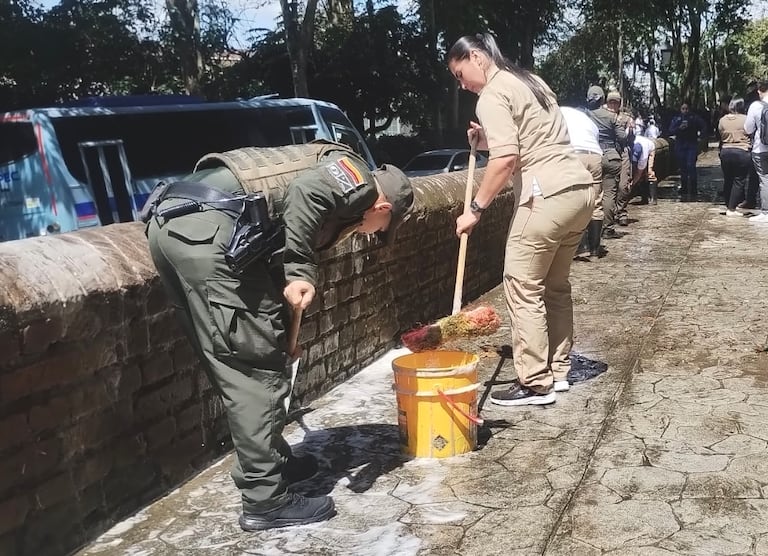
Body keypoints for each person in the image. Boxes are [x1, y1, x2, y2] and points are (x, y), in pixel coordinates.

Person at [144, 142, 414, 530]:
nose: (367, 235)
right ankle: (265, 500)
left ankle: (274, 462)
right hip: (210, 234)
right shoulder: (359, 184)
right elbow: (305, 194)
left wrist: (283, 328)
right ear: (383, 209)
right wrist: (301, 270)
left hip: (176, 226)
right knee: (254, 368)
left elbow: (271, 257)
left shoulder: (336, 188)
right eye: (379, 231)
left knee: (234, 357)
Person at [447, 33, 594, 406]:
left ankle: (534, 382)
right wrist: (485, 137)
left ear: (477, 57)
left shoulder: (492, 95)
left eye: (461, 74)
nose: (462, 85)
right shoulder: (529, 80)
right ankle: (558, 371)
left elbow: (506, 160)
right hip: (578, 188)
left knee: (521, 285)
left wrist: (475, 210)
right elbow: (532, 133)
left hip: (544, 194)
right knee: (556, 286)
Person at [560, 106, 604, 259]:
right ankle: (594, 249)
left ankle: (580, 246)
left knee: (573, 199)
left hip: (575, 154)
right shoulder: (589, 121)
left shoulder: (558, 112)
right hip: (595, 156)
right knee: (595, 200)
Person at [718, 97, 752, 216]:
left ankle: (728, 205)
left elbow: (720, 133)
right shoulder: (746, 119)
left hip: (726, 151)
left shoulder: (722, 120)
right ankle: (732, 208)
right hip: (741, 150)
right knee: (739, 180)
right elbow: (751, 131)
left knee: (728, 179)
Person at [669, 102, 706, 199]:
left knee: (691, 166)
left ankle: (693, 188)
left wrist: (700, 136)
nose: (685, 111)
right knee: (683, 167)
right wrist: (679, 128)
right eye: (683, 109)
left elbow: (704, 126)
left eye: (686, 108)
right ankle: (684, 187)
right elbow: (671, 130)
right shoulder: (677, 119)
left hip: (691, 144)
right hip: (680, 145)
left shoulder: (694, 118)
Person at [744, 80, 768, 222]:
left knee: (764, 180)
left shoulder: (755, 106)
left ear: (759, 91)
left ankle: (765, 212)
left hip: (761, 149)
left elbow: (748, 129)